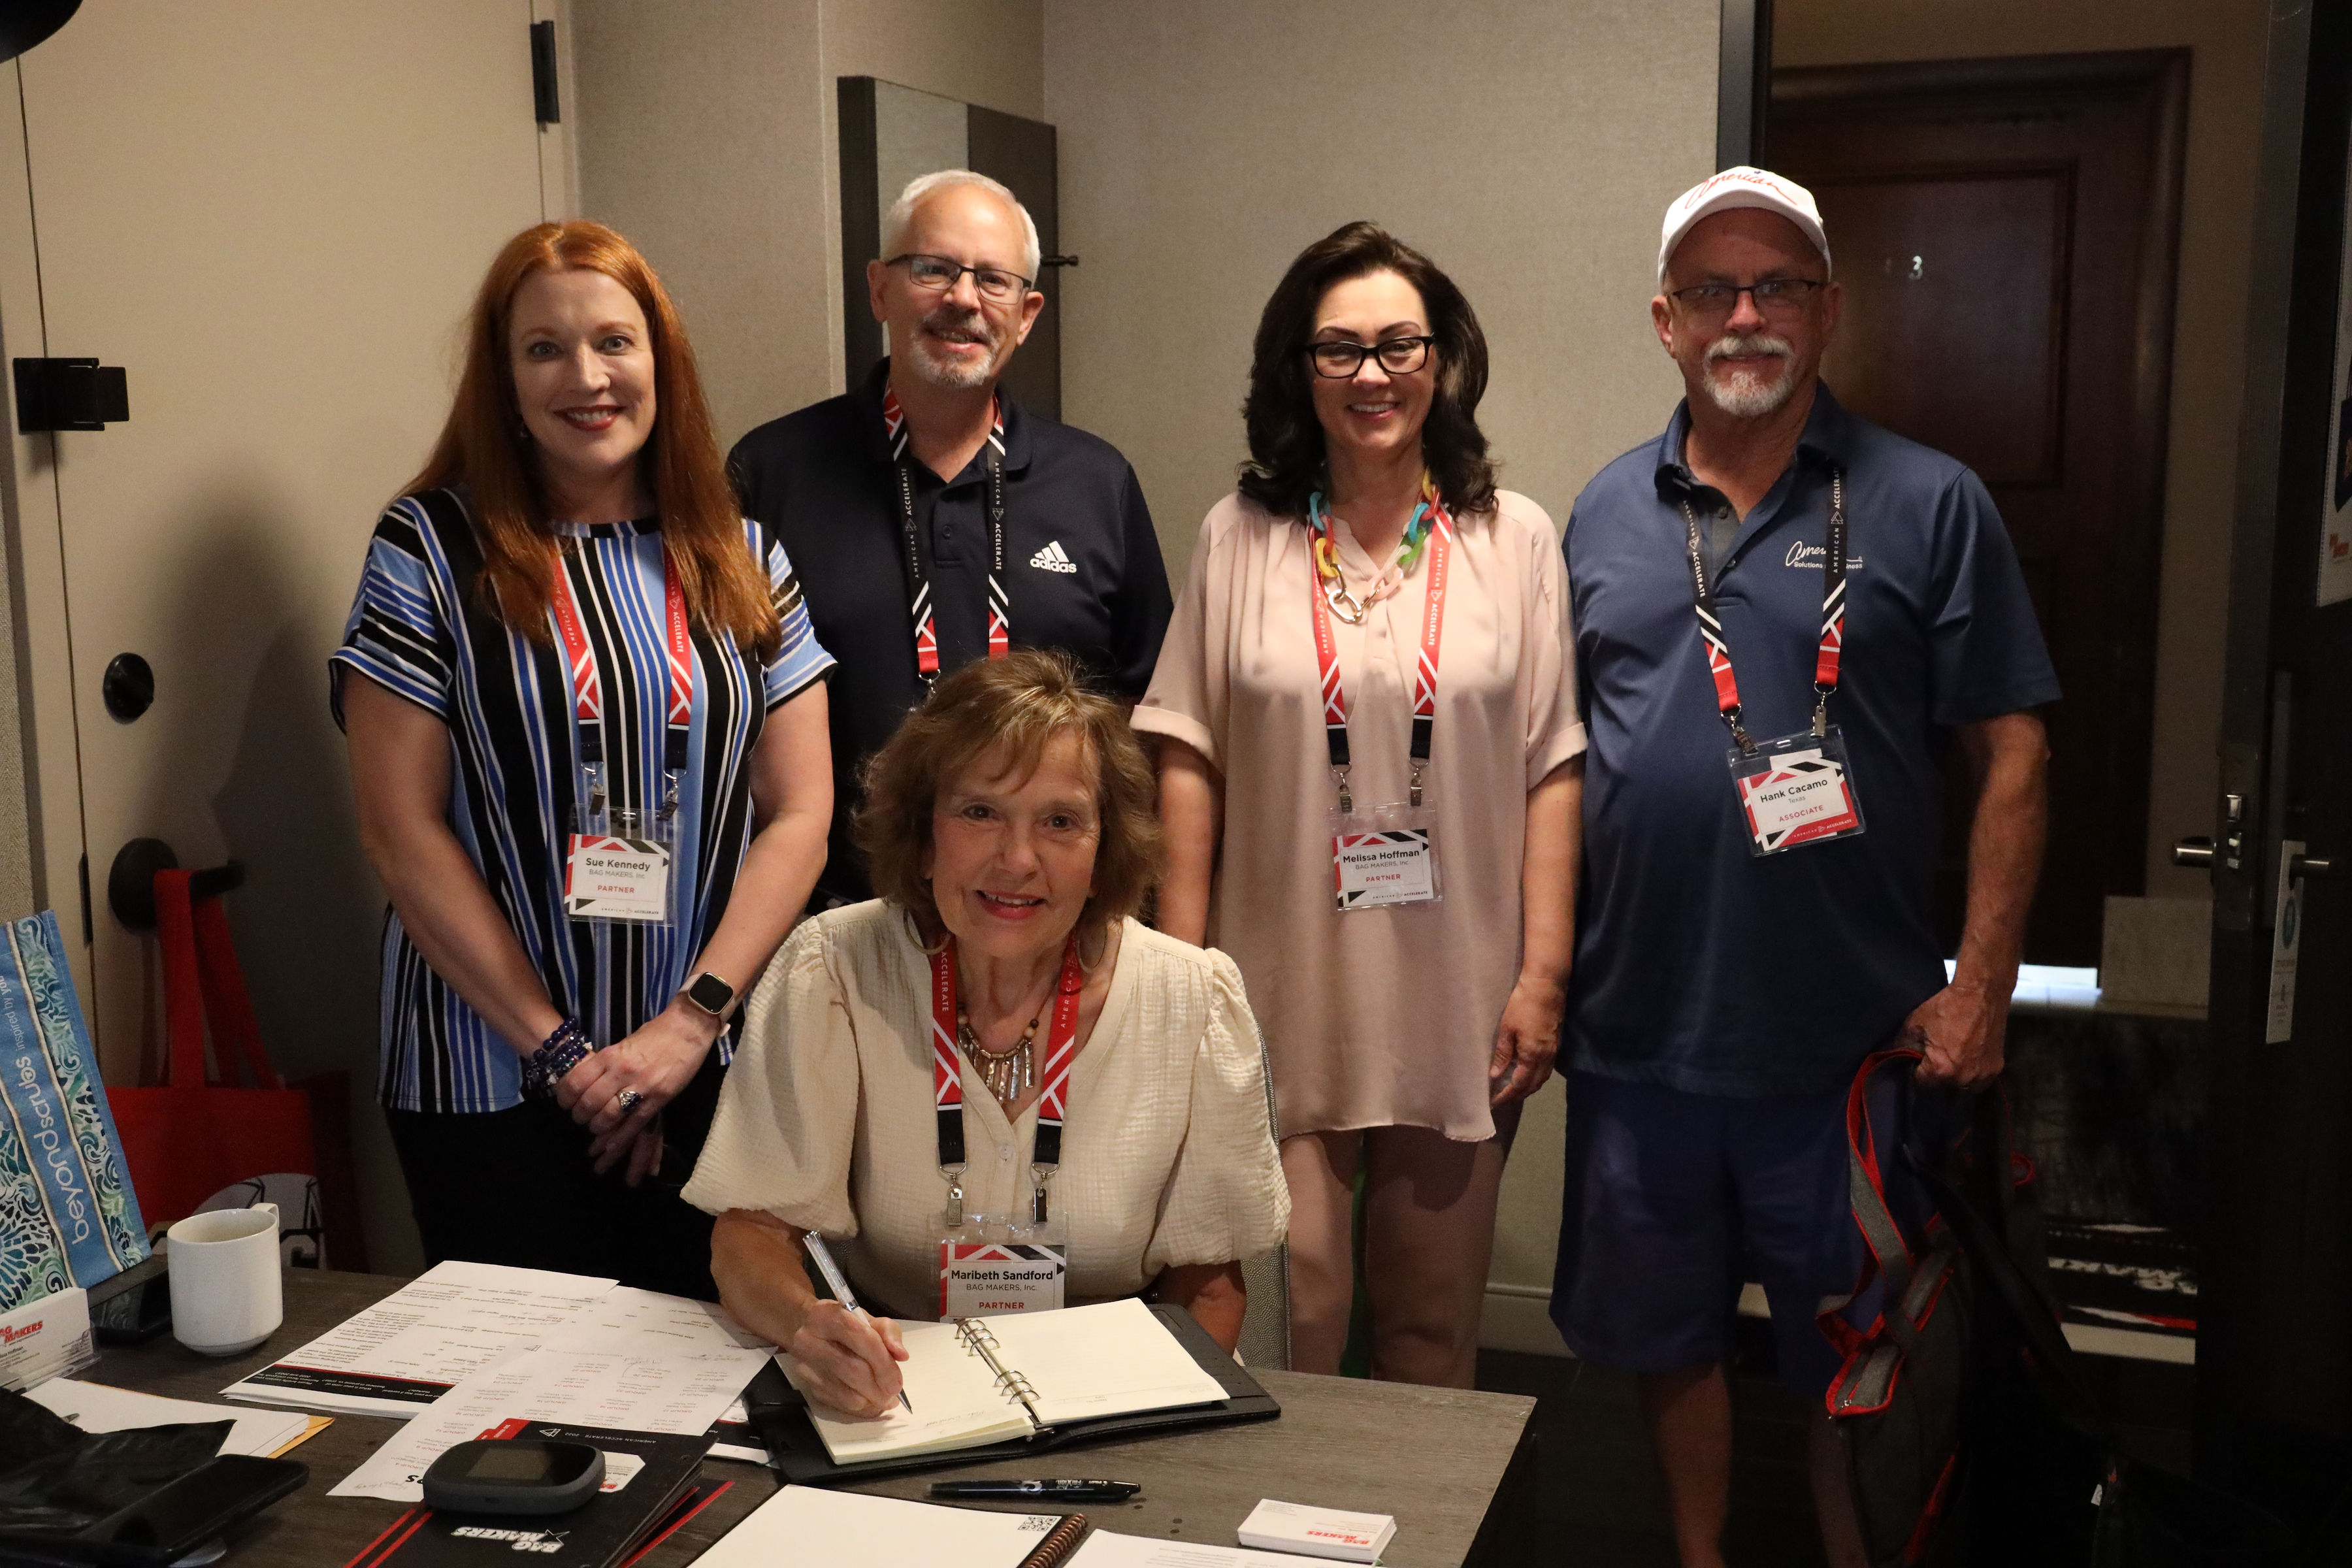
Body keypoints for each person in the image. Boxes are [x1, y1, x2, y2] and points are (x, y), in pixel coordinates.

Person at [1554, 167, 2058, 1568]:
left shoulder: (1932, 502)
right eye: (1712, 290)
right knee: (1666, 1339)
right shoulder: (1600, 513)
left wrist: (1984, 985)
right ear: (1666, 320)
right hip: (1642, 1032)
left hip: (1853, 1050)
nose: (1746, 315)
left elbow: (2014, 752)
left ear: (1829, 310)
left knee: (1862, 1354)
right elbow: (1554, 771)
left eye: (1777, 285)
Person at [334, 220, 836, 1299]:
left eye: (614, 342)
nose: (587, 376)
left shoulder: (743, 556)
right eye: (544, 349)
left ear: (663, 362)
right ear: (502, 381)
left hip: (703, 1066)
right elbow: (398, 828)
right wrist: (567, 1059)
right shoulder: (429, 550)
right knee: (517, 1384)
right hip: (485, 1076)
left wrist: (684, 1029)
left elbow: (801, 813)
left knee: (710, 1364)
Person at [1135, 222, 1584, 1388]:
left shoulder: (1514, 538)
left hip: (1462, 990)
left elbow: (1552, 766)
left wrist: (1542, 977)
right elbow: (1189, 758)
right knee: (1298, 1317)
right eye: (1339, 349)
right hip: (1278, 985)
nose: (1372, 374)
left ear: (1442, 360)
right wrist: (1181, 977)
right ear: (1298, 368)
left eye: (1399, 345)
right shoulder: (1239, 536)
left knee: (1432, 1326)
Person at [685, 651, 1287, 1416]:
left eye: (1061, 822)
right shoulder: (834, 968)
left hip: (1116, 1402)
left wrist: (1150, 1426)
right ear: (924, 834)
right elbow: (751, 1233)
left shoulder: (1192, 998)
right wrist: (811, 1329)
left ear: (1105, 850)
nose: (1017, 860)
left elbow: (1209, 1283)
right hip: (898, 1401)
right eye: (980, 813)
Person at [729, 170, 1173, 909]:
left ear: (1027, 314)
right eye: (933, 269)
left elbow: (1145, 715)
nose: (964, 299)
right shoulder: (773, 472)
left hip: (1041, 912)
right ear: (880, 289)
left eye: (994, 280)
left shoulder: (1096, 482)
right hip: (839, 914)